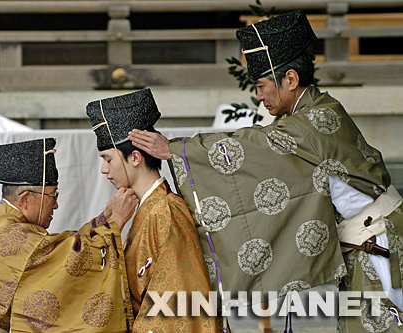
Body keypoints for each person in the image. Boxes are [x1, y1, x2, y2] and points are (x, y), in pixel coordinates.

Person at [128, 10, 403, 332]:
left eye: (261, 86)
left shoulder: (318, 120)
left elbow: (256, 145)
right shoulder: (306, 116)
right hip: (361, 241)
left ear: (290, 79)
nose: (259, 96)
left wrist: (176, 150)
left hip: (378, 242)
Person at [0, 138, 138, 332]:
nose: (56, 205)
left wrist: (105, 217)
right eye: (52, 196)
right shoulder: (17, 236)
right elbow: (73, 258)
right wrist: (116, 222)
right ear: (25, 199)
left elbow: (61, 247)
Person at [87, 89, 221, 332]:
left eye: (108, 159)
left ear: (135, 158)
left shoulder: (167, 211)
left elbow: (176, 302)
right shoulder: (149, 209)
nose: (104, 170)